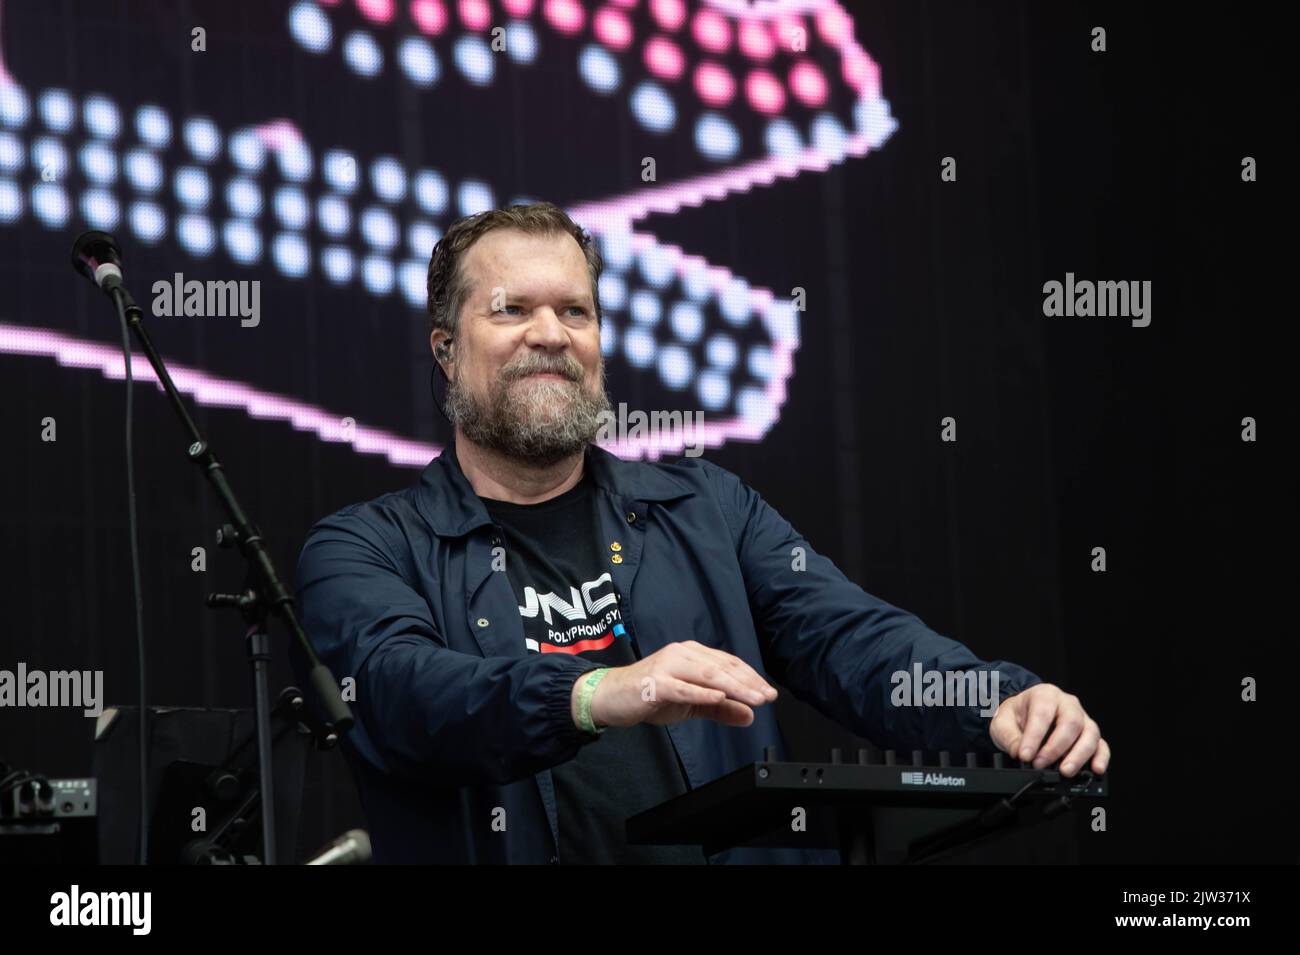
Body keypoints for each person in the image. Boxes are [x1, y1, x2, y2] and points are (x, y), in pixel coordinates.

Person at [293, 202, 1111, 864]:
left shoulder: (707, 506)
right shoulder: (363, 549)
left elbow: (854, 639)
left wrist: (994, 697)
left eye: (575, 310)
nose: (551, 333)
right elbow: (403, 697)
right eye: (512, 309)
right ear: (445, 348)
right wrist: (595, 692)